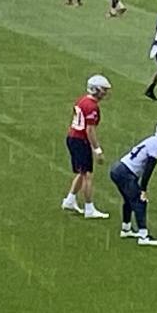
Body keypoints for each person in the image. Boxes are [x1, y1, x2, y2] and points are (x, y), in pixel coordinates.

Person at [110, 120, 157, 247]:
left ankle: (126, 229)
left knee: (129, 200)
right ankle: (143, 236)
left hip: (119, 168)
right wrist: (143, 189)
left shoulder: (153, 140)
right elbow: (149, 169)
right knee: (139, 201)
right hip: (125, 172)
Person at [61, 75, 112, 220]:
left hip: (73, 137)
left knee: (82, 172)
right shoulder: (91, 106)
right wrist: (97, 150)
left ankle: (70, 200)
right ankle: (89, 208)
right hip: (80, 140)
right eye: (103, 90)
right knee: (88, 175)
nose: (105, 93)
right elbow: (90, 130)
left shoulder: (83, 100)